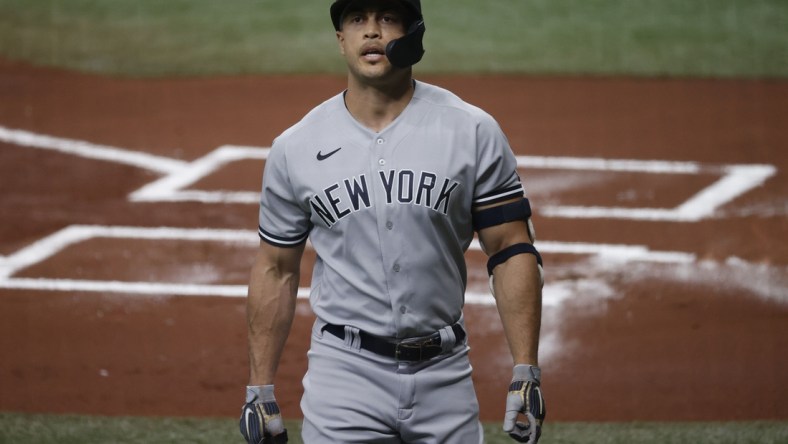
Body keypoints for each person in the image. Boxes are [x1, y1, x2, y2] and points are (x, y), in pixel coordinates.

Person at [240, 0, 546, 442]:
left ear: (414, 35)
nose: (372, 32)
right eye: (357, 20)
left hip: (445, 376)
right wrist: (259, 388)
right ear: (340, 39)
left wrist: (525, 367)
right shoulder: (296, 147)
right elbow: (276, 268)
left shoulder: (471, 131)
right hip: (343, 377)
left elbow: (509, 247)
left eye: (387, 19)